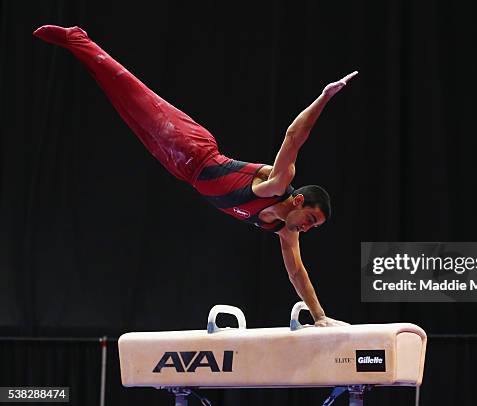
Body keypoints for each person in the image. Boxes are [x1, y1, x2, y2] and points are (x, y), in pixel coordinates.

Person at [33, 25, 357, 327]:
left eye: (313, 227)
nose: (307, 227)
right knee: (131, 92)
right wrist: (325, 97)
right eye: (310, 219)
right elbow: (293, 136)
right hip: (194, 148)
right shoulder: (277, 183)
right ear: (299, 200)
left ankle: (80, 50)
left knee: (124, 108)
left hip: (183, 170)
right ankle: (78, 39)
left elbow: (297, 274)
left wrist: (320, 317)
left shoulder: (283, 233)